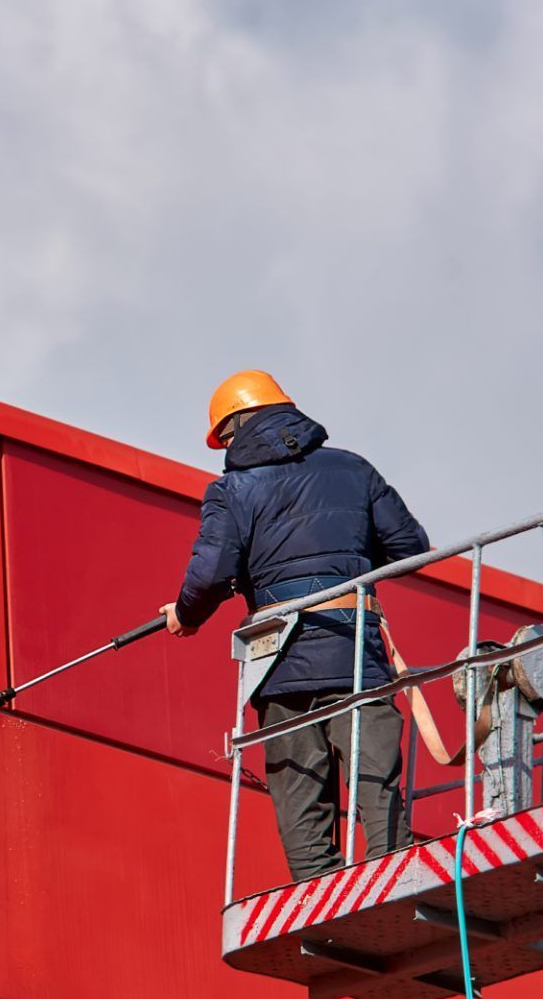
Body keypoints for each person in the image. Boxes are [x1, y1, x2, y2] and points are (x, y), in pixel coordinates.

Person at [162, 370, 430, 881]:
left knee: (299, 792)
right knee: (375, 778)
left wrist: (186, 613)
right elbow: (410, 548)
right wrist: (344, 562)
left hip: (279, 662)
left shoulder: (232, 490)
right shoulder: (353, 469)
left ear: (236, 427)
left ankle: (317, 895)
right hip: (355, 651)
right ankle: (394, 877)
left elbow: (211, 572)